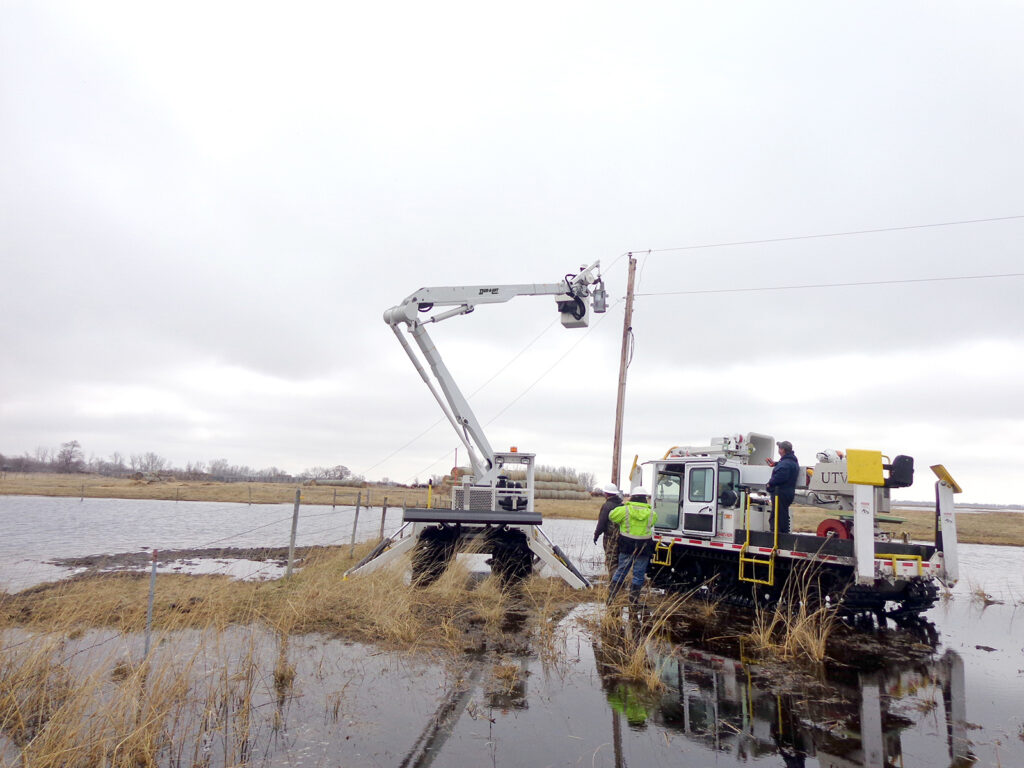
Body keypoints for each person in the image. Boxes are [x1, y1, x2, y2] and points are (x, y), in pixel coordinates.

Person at [607, 487, 656, 604]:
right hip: (644, 547)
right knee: (639, 575)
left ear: (632, 496)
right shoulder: (651, 513)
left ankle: (611, 598)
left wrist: (624, 505)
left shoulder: (625, 510)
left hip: (627, 546)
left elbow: (611, 516)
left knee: (621, 571)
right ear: (645, 499)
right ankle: (633, 601)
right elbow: (653, 522)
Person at [766, 440, 799, 533]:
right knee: (782, 514)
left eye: (779, 448)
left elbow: (780, 477)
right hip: (788, 492)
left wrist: (769, 484)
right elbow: (785, 467)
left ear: (782, 450)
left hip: (780, 493)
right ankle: (782, 534)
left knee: (777, 516)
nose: (778, 450)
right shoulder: (792, 461)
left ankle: (776, 536)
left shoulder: (785, 464)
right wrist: (776, 464)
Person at [593, 483, 623, 575]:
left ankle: (614, 584)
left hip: (610, 537)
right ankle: (620, 581)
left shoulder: (607, 505)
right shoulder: (622, 505)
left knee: (611, 560)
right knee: (619, 560)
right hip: (622, 537)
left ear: (606, 494)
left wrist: (596, 535)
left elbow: (601, 523)